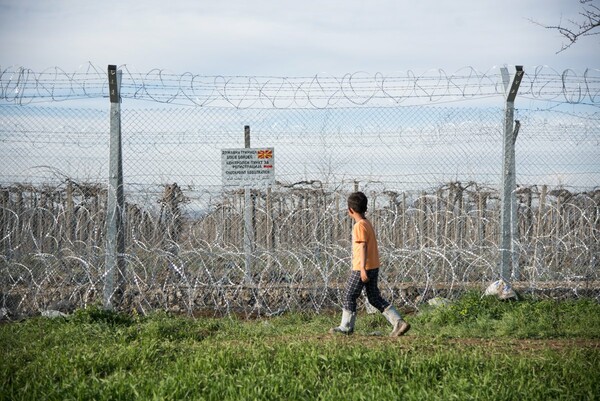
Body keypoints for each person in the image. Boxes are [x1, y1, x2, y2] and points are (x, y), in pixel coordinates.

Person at [330, 191, 410, 337]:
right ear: (365, 208)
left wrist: (362, 269)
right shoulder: (367, 223)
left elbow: (363, 246)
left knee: (349, 295)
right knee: (374, 298)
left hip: (363, 267)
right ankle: (398, 322)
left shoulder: (359, 226)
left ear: (350, 210)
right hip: (373, 266)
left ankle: (346, 327)